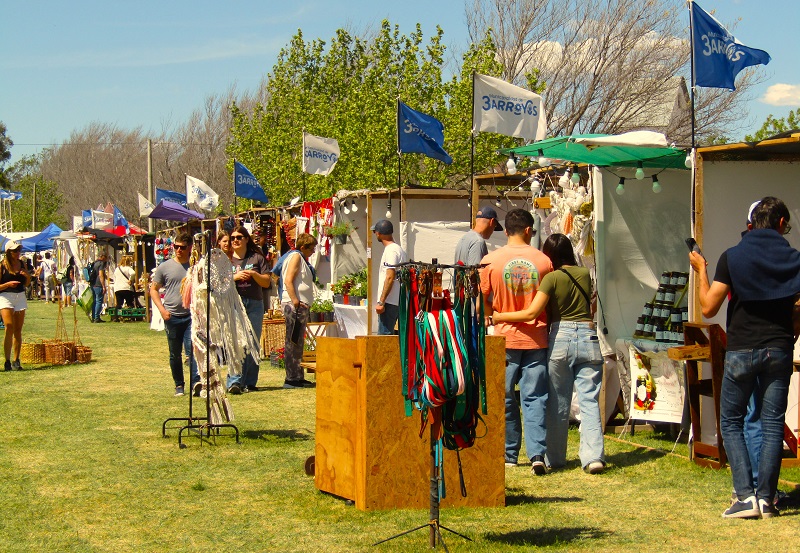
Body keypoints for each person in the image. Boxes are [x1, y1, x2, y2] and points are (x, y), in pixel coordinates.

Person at [689, 196, 800, 519]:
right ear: (782, 224)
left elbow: (709, 307)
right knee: (771, 423)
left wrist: (701, 270)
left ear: (751, 224)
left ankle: (745, 496)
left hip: (741, 348)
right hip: (778, 348)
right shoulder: (794, 259)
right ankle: (767, 498)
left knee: (732, 421)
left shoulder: (733, 257)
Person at [493, 233, 605, 474]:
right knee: (589, 401)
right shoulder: (586, 275)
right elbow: (592, 306)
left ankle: (555, 458)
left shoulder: (552, 278)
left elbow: (532, 313)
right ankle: (594, 457)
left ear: (550, 256)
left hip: (560, 337)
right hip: (588, 336)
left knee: (558, 402)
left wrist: (500, 316)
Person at [479, 208, 552, 474]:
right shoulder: (543, 261)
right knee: (535, 398)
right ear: (529, 231)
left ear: (506, 229)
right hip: (536, 338)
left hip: (504, 338)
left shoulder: (490, 261)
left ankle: (509, 453)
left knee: (506, 397)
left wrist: (491, 317)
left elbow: (483, 300)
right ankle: (537, 455)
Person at [150, 232, 199, 397]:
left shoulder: (195, 267)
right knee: (174, 353)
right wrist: (162, 310)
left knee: (192, 351)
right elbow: (153, 290)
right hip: (172, 315)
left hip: (191, 315)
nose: (178, 250)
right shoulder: (165, 267)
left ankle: (195, 384)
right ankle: (179, 384)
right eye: (176, 247)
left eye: (182, 247)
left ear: (190, 248)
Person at [226, 225, 271, 394]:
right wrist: (235, 277)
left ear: (246, 239)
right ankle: (234, 381)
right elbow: (218, 284)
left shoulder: (257, 258)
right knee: (236, 342)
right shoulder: (227, 260)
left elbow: (266, 282)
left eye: (239, 237)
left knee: (252, 342)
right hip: (235, 303)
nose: (235, 240)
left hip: (254, 303)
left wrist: (254, 275)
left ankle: (250, 382)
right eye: (233, 238)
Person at [280, 233, 318, 389]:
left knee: (297, 342)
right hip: (294, 305)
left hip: (298, 305)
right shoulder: (296, 256)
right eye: (311, 248)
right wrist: (296, 301)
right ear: (303, 247)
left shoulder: (299, 258)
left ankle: (297, 375)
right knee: (293, 341)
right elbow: (288, 279)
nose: (313, 252)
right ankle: (292, 378)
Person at [372, 219, 407, 335]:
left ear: (378, 233)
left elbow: (390, 277)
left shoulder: (391, 251)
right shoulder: (398, 249)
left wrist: (381, 302)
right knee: (391, 336)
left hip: (389, 301)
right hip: (395, 300)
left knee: (384, 337)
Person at [0, 241, 31, 371]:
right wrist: (7, 284)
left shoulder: (22, 264)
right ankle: (7, 360)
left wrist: (27, 276)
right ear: (8, 252)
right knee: (9, 326)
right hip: (5, 296)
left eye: (19, 250)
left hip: (20, 296)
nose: (18, 253)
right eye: (15, 251)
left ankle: (16, 360)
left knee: (18, 329)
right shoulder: (2, 266)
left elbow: (27, 284)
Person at [90, 251, 108, 323]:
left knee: (94, 301)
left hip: (93, 284)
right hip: (98, 284)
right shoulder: (101, 264)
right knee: (99, 301)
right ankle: (97, 317)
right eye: (105, 257)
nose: (106, 259)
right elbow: (101, 275)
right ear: (102, 256)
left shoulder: (94, 263)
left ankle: (93, 317)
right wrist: (103, 286)